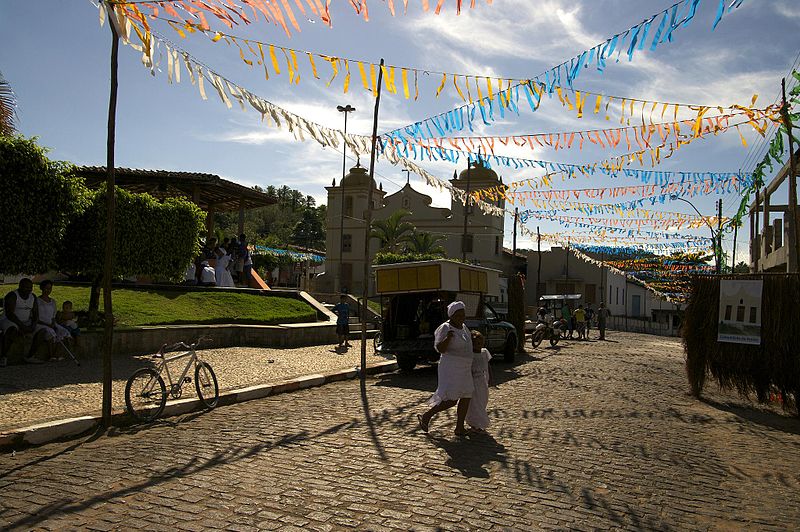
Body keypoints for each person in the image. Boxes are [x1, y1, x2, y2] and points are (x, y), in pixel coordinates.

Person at [417, 301, 474, 437]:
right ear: (452, 315)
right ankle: (427, 415)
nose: (461, 317)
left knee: (467, 395)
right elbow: (440, 349)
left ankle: (459, 427)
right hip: (451, 367)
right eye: (458, 315)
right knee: (451, 399)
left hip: (465, 367)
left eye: (463, 314)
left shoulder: (464, 327)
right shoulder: (445, 328)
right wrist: (448, 338)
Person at [0, 278, 44, 365]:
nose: (29, 289)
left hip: (26, 321)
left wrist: (33, 326)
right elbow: (10, 315)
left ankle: (29, 356)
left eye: (30, 287)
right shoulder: (12, 295)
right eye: (26, 287)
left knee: (42, 331)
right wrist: (22, 327)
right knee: (12, 329)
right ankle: (3, 357)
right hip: (9, 320)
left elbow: (35, 314)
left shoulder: (33, 297)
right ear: (20, 286)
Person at [35, 280, 71, 360]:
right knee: (51, 332)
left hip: (51, 323)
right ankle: (51, 355)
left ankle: (57, 354)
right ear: (41, 288)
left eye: (50, 288)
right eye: (46, 288)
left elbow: (53, 316)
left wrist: (53, 324)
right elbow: (35, 317)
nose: (48, 290)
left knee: (63, 332)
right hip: (40, 324)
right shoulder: (37, 301)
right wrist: (48, 325)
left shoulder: (53, 301)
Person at [465, 331, 492, 433]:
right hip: (473, 382)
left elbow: (488, 366)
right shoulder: (470, 355)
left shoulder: (484, 352)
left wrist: (490, 378)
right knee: (474, 404)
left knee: (482, 401)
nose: (478, 345)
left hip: (482, 381)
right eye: (476, 343)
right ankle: (475, 423)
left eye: (480, 343)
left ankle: (477, 422)